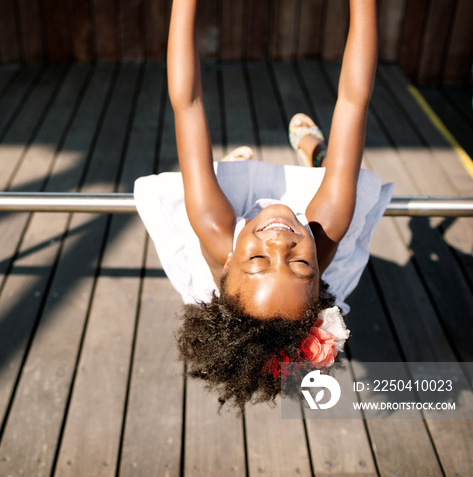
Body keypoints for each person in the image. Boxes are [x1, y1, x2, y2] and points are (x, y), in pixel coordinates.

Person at [134, 0, 393, 411]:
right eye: (302, 265)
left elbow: (189, 103)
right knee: (337, 171)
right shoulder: (326, 230)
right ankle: (314, 149)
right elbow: (353, 100)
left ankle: (237, 168)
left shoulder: (214, 230)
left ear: (230, 261)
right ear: (320, 278)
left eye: (257, 259)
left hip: (232, 236)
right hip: (295, 242)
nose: (279, 245)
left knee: (212, 180)